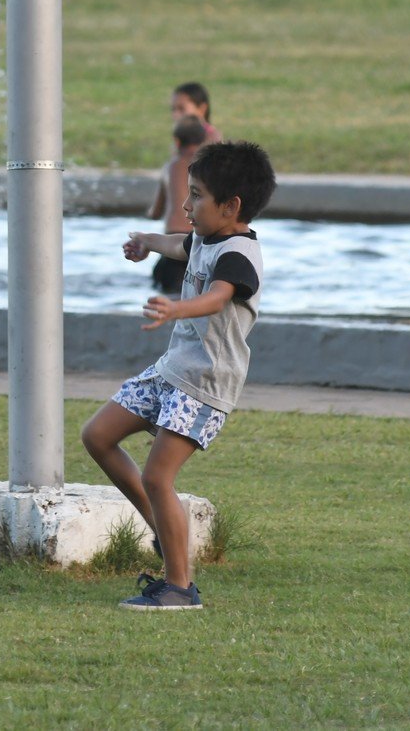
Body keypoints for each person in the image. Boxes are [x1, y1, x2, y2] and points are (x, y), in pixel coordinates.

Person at [81, 141, 277, 611]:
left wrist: (177, 309)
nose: (185, 205)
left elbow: (217, 296)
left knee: (158, 476)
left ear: (231, 206)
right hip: (172, 370)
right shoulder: (207, 238)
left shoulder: (239, 254)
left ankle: (179, 588)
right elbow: (180, 246)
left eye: (196, 196)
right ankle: (164, 533)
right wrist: (147, 243)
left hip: (206, 383)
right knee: (98, 435)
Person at [147, 115, 209, 295]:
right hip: (198, 243)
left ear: (176, 141)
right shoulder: (208, 168)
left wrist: (149, 213)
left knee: (167, 292)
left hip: (173, 247)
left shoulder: (171, 166)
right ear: (203, 140)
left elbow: (156, 212)